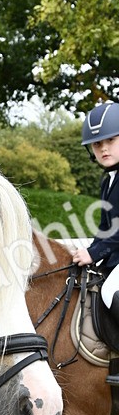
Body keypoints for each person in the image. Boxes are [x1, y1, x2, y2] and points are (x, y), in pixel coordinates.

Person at [73, 101, 119, 385]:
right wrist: (90, 251)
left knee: (111, 290)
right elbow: (105, 228)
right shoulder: (109, 181)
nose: (103, 149)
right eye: (97, 144)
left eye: (111, 140)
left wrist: (94, 253)